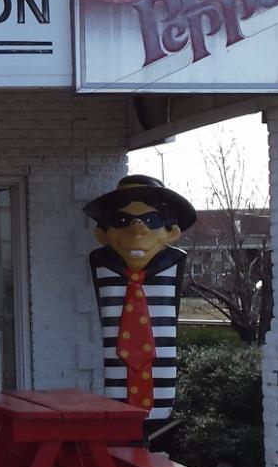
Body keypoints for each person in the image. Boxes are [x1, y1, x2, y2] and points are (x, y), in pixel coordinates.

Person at [83, 174, 198, 433]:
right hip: (116, 383)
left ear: (171, 233)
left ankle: (149, 429)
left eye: (151, 220)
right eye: (122, 221)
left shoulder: (172, 263)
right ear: (103, 233)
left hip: (161, 383)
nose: (137, 230)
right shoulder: (102, 263)